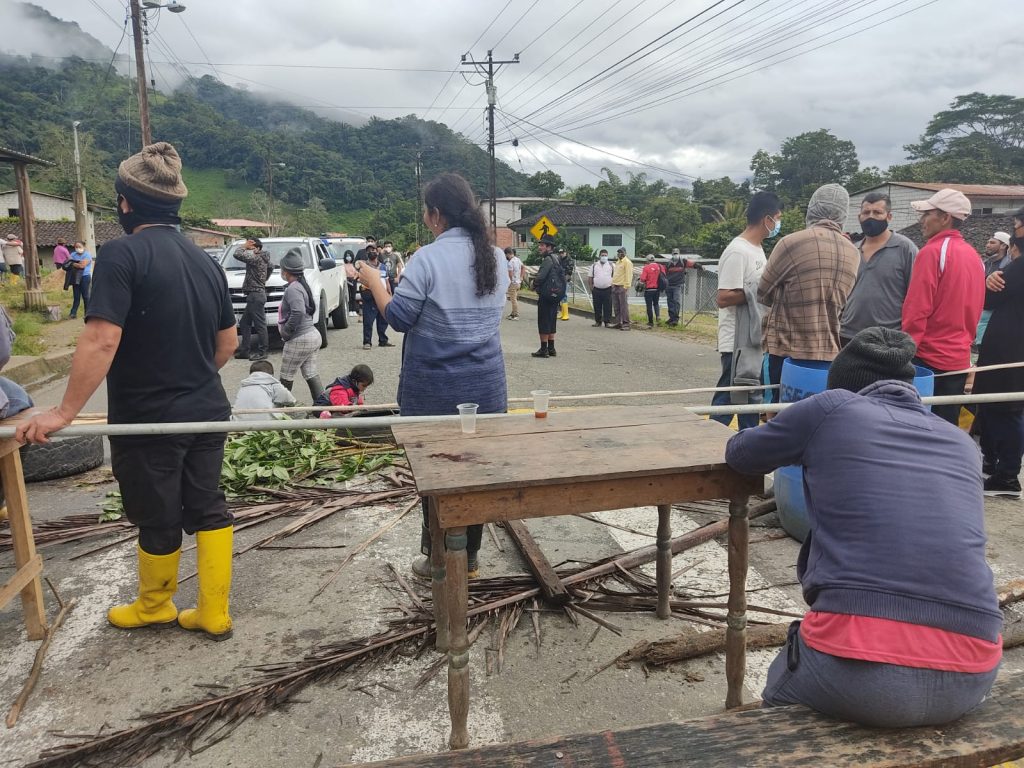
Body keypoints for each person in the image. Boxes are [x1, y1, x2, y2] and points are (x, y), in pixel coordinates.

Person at [16, 142, 239, 640]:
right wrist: (194, 373)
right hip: (207, 409)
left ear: (124, 203)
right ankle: (212, 612)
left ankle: (156, 605)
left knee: (157, 511)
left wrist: (64, 411)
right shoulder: (206, 262)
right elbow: (228, 343)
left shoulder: (120, 254)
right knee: (208, 504)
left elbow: (101, 337)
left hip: (150, 417)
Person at [726, 326, 1002, 727]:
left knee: (778, 704)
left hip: (858, 672)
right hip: (973, 674)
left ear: (842, 383)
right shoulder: (961, 443)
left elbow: (740, 453)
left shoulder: (832, 407)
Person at [355, 172, 508, 580]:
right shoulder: (494, 257)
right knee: (474, 470)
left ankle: (440, 560)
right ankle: (469, 559)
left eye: (426, 211)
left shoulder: (427, 258)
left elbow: (400, 318)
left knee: (436, 472)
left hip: (436, 390)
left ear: (436, 214)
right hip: (486, 387)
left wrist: (374, 282)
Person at [759, 184, 860, 390]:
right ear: (844, 214)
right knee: (815, 417)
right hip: (828, 354)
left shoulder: (791, 243)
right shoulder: (854, 253)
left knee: (776, 414)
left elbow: (763, 292)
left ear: (812, 208)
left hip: (785, 351)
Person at [902, 189, 985, 426]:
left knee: (916, 427)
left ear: (945, 217)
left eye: (927, 214)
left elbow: (916, 310)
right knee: (946, 428)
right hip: (959, 359)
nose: (921, 220)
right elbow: (977, 309)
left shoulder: (932, 252)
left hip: (927, 361)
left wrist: (906, 353)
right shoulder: (975, 257)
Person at [712, 191, 781, 429]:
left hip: (752, 340)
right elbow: (723, 297)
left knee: (750, 400)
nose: (777, 224)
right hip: (736, 343)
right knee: (729, 400)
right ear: (767, 219)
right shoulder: (737, 250)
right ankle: (706, 447)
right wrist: (760, 290)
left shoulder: (757, 249)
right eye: (778, 218)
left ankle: (747, 450)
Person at [974, 228, 1024, 497]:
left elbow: (990, 297)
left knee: (1007, 409)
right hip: (1010, 346)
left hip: (1010, 348)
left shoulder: (1020, 267)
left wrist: (990, 281)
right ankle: (997, 466)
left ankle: (1007, 476)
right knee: (1002, 407)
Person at [839, 193, 919, 345]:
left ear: (889, 217)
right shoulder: (852, 250)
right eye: (866, 212)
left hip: (887, 337)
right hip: (848, 334)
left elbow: (915, 295)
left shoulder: (905, 249)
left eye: (877, 213)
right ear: (859, 217)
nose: (871, 217)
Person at [277, 248, 324, 403]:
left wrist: (286, 332)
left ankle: (281, 412)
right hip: (313, 335)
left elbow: (298, 312)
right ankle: (323, 408)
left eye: (282, 269)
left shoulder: (293, 288)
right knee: (310, 373)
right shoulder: (302, 285)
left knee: (286, 376)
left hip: (300, 338)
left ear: (286, 271)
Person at [233, 236, 271, 361]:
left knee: (260, 325)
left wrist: (244, 247)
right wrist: (262, 281)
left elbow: (237, 254)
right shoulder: (264, 258)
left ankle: (263, 352)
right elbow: (271, 267)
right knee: (245, 322)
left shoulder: (256, 257)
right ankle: (245, 350)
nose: (248, 250)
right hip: (256, 294)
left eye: (251, 248)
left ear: (257, 248)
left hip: (255, 295)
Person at [975, 231, 1012, 349]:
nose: (987, 245)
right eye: (987, 242)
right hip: (979, 310)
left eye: (992, 242)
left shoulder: (1009, 266)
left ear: (1003, 246)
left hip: (995, 314)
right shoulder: (985, 264)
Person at [358, 243, 394, 350]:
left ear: (377, 252)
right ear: (366, 253)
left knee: (383, 319)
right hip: (369, 295)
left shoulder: (383, 266)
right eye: (369, 251)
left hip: (382, 295)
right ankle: (367, 342)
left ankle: (383, 340)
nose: (372, 252)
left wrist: (389, 293)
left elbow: (387, 281)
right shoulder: (365, 267)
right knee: (368, 320)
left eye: (373, 250)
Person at [532, 234, 562, 357]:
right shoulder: (557, 258)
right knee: (551, 320)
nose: (540, 247)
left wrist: (534, 284)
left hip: (546, 294)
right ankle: (551, 348)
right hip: (555, 294)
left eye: (542, 245)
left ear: (549, 247)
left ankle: (543, 349)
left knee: (543, 320)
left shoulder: (548, 260)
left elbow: (541, 276)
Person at [665, 249, 698, 326]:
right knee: (670, 302)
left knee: (676, 301)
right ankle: (671, 318)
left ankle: (675, 320)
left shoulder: (683, 261)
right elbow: (664, 271)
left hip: (677, 285)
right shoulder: (668, 263)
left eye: (676, 253)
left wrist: (700, 266)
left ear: (679, 254)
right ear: (672, 254)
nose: (675, 254)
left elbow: (693, 264)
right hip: (668, 285)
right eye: (674, 253)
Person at [588, 249, 614, 327]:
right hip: (596, 289)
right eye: (602, 255)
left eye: (605, 255)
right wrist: (591, 287)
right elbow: (590, 277)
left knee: (608, 306)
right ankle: (598, 321)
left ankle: (607, 322)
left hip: (608, 289)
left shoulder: (611, 265)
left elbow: (615, 276)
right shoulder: (594, 265)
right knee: (597, 306)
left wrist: (613, 286)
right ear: (599, 256)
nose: (604, 257)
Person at [68, 240, 94, 319]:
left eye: (79, 247)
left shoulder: (87, 255)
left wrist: (73, 263)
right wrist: (76, 263)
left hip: (85, 277)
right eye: (76, 247)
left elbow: (82, 266)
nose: (78, 248)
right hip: (75, 277)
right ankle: (73, 313)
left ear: (84, 247)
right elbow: (67, 263)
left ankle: (87, 313)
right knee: (76, 296)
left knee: (86, 296)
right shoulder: (73, 254)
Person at [639, 254, 666, 327]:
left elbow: (642, 279)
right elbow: (664, 275)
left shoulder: (646, 267)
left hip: (649, 289)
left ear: (647, 260)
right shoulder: (660, 266)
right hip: (657, 289)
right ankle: (658, 317)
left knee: (649, 305)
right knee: (656, 303)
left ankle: (651, 322)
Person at [611, 246, 633, 330]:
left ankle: (626, 324)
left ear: (624, 253)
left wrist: (626, 286)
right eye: (618, 252)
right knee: (616, 306)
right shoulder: (617, 262)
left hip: (622, 286)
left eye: (621, 252)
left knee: (623, 306)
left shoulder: (627, 262)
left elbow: (629, 275)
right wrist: (612, 283)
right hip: (615, 285)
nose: (619, 254)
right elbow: (616, 274)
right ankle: (618, 322)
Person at [505, 246, 525, 320]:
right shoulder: (518, 259)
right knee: (514, 298)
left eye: (506, 255)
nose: (506, 256)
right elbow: (523, 267)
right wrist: (521, 277)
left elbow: (510, 274)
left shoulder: (510, 262)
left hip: (513, 283)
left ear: (509, 254)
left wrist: (510, 281)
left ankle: (516, 314)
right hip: (518, 282)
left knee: (513, 299)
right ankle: (513, 313)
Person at [557, 247, 574, 321]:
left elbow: (569, 271)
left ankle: (566, 314)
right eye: (560, 253)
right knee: (560, 296)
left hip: (565, 279)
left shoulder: (569, 260)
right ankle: (562, 313)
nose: (561, 254)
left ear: (566, 252)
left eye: (562, 253)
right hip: (559, 279)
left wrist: (565, 277)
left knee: (564, 295)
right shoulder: (559, 259)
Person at [343, 250, 359, 317]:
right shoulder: (343, 265)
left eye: (349, 256)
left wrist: (354, 278)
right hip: (347, 281)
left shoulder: (354, 264)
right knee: (348, 296)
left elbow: (357, 273)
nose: (348, 257)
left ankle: (354, 310)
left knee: (353, 296)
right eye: (347, 256)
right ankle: (349, 310)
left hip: (353, 280)